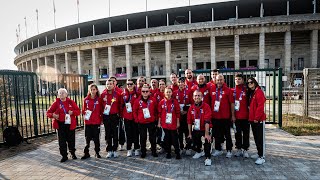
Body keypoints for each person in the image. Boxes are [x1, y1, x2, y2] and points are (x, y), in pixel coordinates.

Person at [46, 88, 80, 162]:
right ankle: (64, 155)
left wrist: (73, 112)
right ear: (58, 95)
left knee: (71, 140)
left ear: (66, 94)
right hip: (60, 124)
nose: (61, 94)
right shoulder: (56, 103)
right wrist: (53, 115)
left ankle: (72, 153)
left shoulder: (71, 102)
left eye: (63, 93)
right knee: (62, 141)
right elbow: (48, 113)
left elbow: (78, 111)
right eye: (60, 93)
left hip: (70, 124)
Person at [211, 74, 235, 158]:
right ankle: (218, 149)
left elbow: (232, 103)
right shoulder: (212, 89)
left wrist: (232, 115)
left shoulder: (228, 90)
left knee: (227, 134)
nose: (219, 81)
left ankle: (229, 150)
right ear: (215, 80)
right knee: (217, 134)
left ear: (224, 80)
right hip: (215, 117)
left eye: (221, 80)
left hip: (225, 117)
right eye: (218, 80)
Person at [133, 84, 158, 158]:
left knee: (152, 138)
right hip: (142, 122)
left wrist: (155, 119)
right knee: (143, 138)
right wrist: (137, 120)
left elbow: (156, 110)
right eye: (143, 91)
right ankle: (143, 152)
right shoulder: (137, 100)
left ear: (149, 92)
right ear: (141, 92)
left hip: (151, 122)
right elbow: (134, 111)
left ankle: (154, 151)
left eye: (147, 91)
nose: (145, 92)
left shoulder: (153, 100)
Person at [187, 90, 212, 166]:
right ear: (193, 97)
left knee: (207, 140)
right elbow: (189, 122)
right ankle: (199, 151)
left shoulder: (206, 106)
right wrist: (190, 134)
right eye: (195, 95)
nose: (197, 97)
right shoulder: (191, 107)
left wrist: (207, 134)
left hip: (205, 128)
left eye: (199, 95)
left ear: (202, 97)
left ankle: (208, 157)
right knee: (193, 140)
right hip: (196, 128)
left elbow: (207, 121)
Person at [246, 77, 267, 165]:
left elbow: (260, 106)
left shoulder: (259, 92)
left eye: (251, 82)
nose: (250, 84)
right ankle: (259, 153)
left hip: (258, 120)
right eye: (248, 83)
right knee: (256, 137)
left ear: (255, 82)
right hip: (252, 119)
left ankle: (262, 156)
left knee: (260, 138)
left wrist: (257, 118)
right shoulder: (252, 92)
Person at [101, 79, 122, 158]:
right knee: (108, 133)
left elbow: (120, 105)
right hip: (106, 116)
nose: (109, 85)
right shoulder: (103, 95)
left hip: (114, 116)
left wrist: (120, 115)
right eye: (107, 84)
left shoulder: (117, 94)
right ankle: (109, 150)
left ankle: (115, 149)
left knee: (115, 133)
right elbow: (101, 106)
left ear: (114, 85)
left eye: (110, 84)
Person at [158, 87, 181, 159]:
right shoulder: (161, 102)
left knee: (175, 139)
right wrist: (159, 123)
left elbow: (178, 113)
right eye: (167, 92)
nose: (168, 93)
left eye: (169, 92)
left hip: (173, 124)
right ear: (164, 93)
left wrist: (178, 122)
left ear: (172, 93)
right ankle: (168, 152)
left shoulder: (175, 102)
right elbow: (159, 114)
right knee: (167, 139)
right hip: (165, 124)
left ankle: (177, 152)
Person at [81, 84, 102, 159]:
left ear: (96, 90)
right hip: (88, 122)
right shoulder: (86, 99)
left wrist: (101, 120)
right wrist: (85, 112)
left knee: (96, 139)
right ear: (89, 90)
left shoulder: (99, 99)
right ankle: (86, 153)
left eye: (94, 89)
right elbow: (83, 110)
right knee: (87, 138)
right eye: (91, 89)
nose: (93, 91)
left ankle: (97, 152)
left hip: (96, 122)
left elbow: (101, 110)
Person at [121, 79, 140, 157]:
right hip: (127, 117)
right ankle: (129, 149)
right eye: (128, 84)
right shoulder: (123, 94)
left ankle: (136, 148)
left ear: (134, 85)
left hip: (135, 117)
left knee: (136, 133)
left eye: (131, 84)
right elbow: (121, 105)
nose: (129, 86)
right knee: (128, 134)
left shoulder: (138, 94)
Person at [232, 74, 250, 158]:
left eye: (239, 79)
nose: (237, 80)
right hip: (236, 117)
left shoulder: (247, 90)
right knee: (237, 134)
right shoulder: (232, 90)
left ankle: (245, 149)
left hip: (246, 117)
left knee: (246, 134)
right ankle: (239, 149)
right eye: (236, 79)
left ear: (242, 80)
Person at [173, 77, 192, 155]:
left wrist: (186, 110)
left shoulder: (189, 92)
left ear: (185, 83)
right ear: (178, 83)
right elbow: (172, 104)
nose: (181, 84)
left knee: (187, 132)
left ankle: (188, 147)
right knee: (179, 133)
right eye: (179, 82)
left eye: (182, 82)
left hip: (186, 116)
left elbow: (192, 104)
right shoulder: (174, 92)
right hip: (178, 116)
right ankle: (181, 147)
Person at [109, 76, 126, 151]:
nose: (112, 83)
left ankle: (121, 143)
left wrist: (121, 113)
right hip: (109, 114)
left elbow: (122, 103)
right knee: (110, 130)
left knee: (120, 129)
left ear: (115, 82)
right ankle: (110, 144)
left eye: (113, 81)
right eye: (110, 81)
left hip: (118, 114)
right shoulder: (105, 92)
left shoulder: (119, 91)